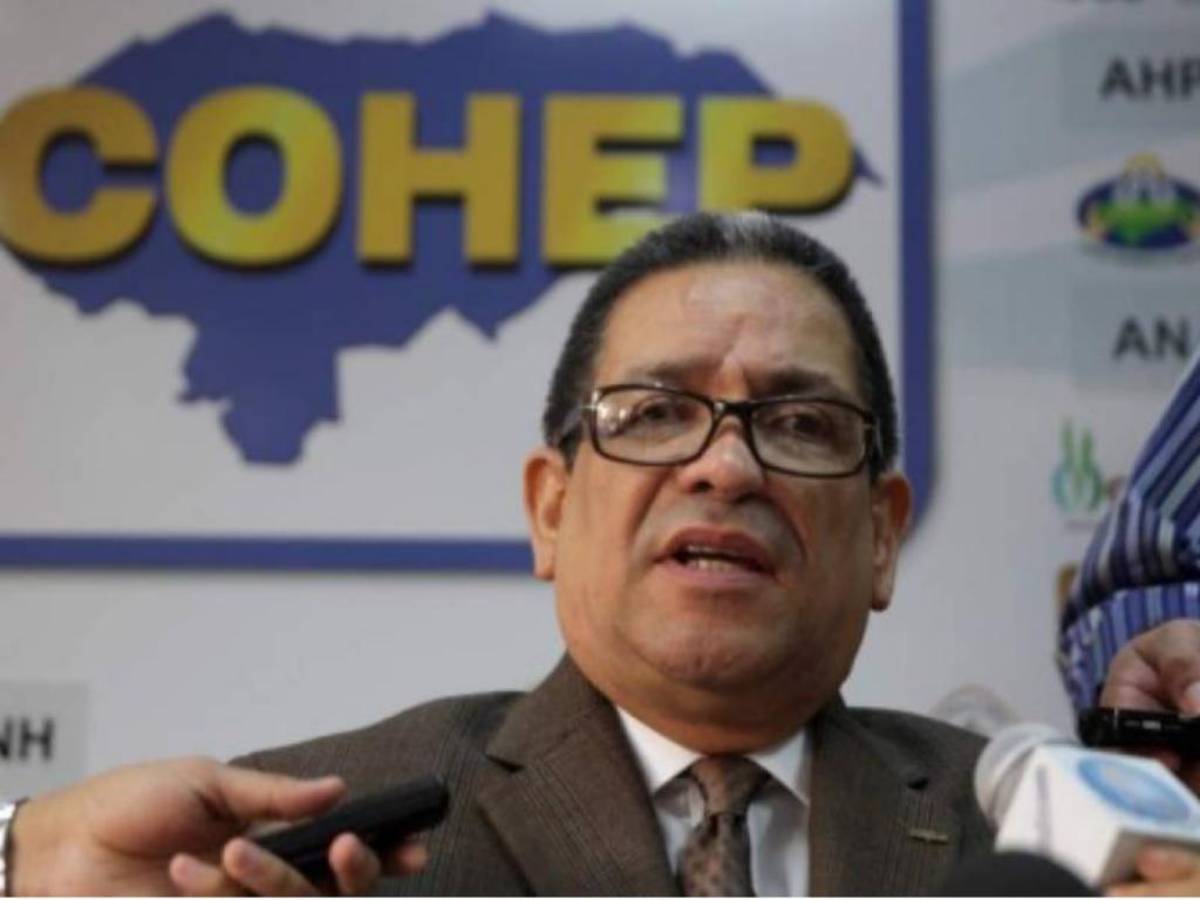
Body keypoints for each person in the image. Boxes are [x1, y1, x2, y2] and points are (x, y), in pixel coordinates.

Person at [0, 213, 1192, 896]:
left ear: (882, 536)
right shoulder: (302, 842)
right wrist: (24, 861)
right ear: (551, 508)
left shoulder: (1052, 849)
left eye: (798, 423)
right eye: (655, 412)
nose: (726, 466)